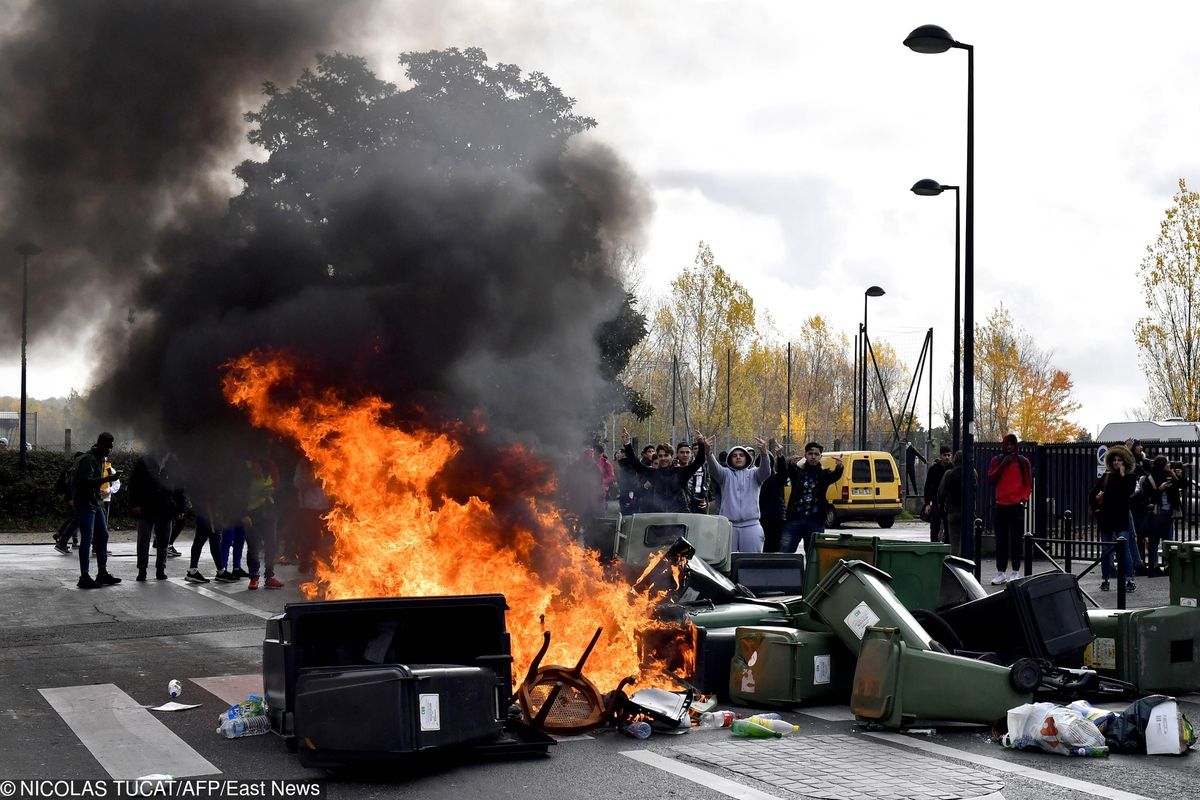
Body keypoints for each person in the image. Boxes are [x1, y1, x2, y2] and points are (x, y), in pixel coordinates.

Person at [698, 431, 772, 552]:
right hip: (728, 526)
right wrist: (708, 453)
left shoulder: (755, 474)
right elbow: (713, 468)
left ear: (747, 458)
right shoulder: (725, 475)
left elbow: (766, 471)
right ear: (730, 459)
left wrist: (764, 454)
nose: (738, 457)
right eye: (734, 455)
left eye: (741, 455)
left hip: (751, 526)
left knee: (750, 564)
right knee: (727, 565)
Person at [71, 433, 123, 589]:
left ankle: (101, 572)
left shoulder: (99, 458)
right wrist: (108, 480)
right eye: (108, 445)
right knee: (87, 537)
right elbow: (85, 482)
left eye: (111, 445)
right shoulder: (89, 459)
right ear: (100, 444)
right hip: (85, 502)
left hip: (94, 501)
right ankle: (84, 576)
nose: (111, 448)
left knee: (103, 534)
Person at [778, 442, 843, 556]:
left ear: (820, 456)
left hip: (815, 521)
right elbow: (785, 471)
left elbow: (835, 475)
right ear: (805, 455)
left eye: (816, 454)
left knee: (814, 556)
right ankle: (784, 573)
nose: (813, 456)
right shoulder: (798, 472)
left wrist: (839, 467)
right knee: (784, 552)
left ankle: (810, 575)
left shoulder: (824, 474)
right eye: (810, 453)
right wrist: (785, 460)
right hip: (794, 519)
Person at [1089, 445, 1138, 593]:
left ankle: (1129, 580)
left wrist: (1123, 475)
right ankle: (1105, 580)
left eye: (1119, 460)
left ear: (1125, 462)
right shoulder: (1107, 476)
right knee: (1106, 550)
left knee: (1125, 549)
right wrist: (1097, 510)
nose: (1116, 462)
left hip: (1121, 517)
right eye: (1115, 460)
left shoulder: (1130, 477)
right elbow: (1092, 493)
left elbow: (1128, 492)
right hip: (1106, 517)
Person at [620, 429, 705, 514]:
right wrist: (627, 444)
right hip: (659, 516)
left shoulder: (680, 472)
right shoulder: (653, 473)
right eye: (660, 456)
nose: (663, 458)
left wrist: (701, 443)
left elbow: (699, 461)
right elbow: (636, 465)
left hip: (679, 515)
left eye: (666, 455)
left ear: (672, 456)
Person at [986, 433, 1033, 585]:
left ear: (1016, 445)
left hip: (1015, 506)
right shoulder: (997, 460)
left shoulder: (1022, 461)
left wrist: (1022, 499)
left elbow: (1027, 483)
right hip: (1001, 505)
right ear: (1004, 445)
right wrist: (1002, 465)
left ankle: (1015, 571)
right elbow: (991, 479)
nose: (1010, 447)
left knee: (1016, 540)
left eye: (1012, 444)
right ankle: (1001, 572)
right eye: (1008, 444)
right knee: (1001, 541)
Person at [129, 452, 179, 581]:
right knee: (143, 540)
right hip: (146, 506)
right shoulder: (144, 461)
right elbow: (134, 483)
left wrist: (179, 507)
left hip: (165, 507)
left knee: (163, 541)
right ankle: (142, 570)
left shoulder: (173, 462)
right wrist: (135, 504)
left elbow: (179, 485)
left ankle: (160, 569)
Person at [1140, 455, 1191, 576]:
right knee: (1154, 541)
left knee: (1169, 541)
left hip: (1169, 514)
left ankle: (1169, 566)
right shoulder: (1151, 478)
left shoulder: (1171, 475)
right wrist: (1159, 489)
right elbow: (1148, 496)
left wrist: (1176, 476)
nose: (1169, 465)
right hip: (1157, 514)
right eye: (1167, 463)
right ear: (1162, 466)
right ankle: (1154, 566)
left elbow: (1184, 485)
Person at [242, 458, 284, 590]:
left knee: (271, 545)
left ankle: (269, 576)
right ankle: (254, 577)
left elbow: (277, 487)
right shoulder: (244, 479)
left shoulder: (269, 471)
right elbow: (237, 497)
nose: (257, 470)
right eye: (255, 468)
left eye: (259, 468)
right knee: (253, 547)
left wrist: (272, 491)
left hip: (269, 513)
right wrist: (243, 514)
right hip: (252, 515)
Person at [938, 450, 976, 558]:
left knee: (954, 541)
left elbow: (941, 492)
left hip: (953, 511)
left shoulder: (949, 473)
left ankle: (955, 566)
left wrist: (943, 507)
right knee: (967, 541)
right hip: (968, 512)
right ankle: (966, 563)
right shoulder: (972, 472)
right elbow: (975, 489)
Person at [758, 444, 787, 552]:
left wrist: (780, 457)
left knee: (774, 548)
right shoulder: (755, 479)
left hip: (776, 518)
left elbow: (783, 472)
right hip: (760, 518)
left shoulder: (776, 478)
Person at [923, 446, 953, 544]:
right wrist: (928, 503)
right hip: (936, 502)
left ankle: (947, 549)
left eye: (949, 455)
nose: (947, 457)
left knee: (948, 529)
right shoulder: (934, 469)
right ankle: (934, 547)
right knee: (935, 528)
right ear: (941, 456)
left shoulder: (952, 469)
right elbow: (928, 487)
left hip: (948, 503)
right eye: (945, 455)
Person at [676, 441, 710, 514]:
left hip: (694, 502)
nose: (685, 455)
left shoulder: (693, 467)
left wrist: (701, 501)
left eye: (687, 452)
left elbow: (701, 461)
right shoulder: (673, 469)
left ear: (691, 454)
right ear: (677, 454)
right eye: (682, 452)